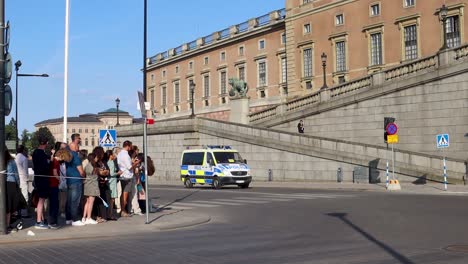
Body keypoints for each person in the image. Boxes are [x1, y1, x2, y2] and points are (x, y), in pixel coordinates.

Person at [65, 133, 86, 226]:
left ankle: (68, 218)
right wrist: (84, 176)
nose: (78, 147)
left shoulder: (68, 156)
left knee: (69, 201)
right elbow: (81, 171)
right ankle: (75, 219)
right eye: (77, 145)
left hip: (69, 180)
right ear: (73, 146)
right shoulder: (76, 157)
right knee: (75, 201)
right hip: (76, 180)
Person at [49, 145, 72, 229]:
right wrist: (60, 179)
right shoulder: (55, 162)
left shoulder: (54, 161)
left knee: (54, 204)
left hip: (53, 184)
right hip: (54, 184)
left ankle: (52, 222)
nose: (63, 160)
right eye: (64, 158)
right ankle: (53, 222)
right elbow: (55, 173)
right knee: (55, 204)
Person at [117, 140, 140, 217]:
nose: (131, 148)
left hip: (122, 175)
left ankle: (122, 210)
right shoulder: (125, 155)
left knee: (123, 194)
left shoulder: (120, 154)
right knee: (125, 194)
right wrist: (136, 163)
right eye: (130, 146)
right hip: (127, 176)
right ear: (128, 146)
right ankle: (123, 211)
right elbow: (130, 167)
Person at [32, 136, 51, 229]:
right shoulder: (41, 154)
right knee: (41, 200)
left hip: (38, 178)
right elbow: (44, 167)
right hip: (42, 178)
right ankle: (39, 221)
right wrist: (49, 162)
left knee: (41, 200)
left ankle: (41, 219)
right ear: (46, 143)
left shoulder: (35, 152)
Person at [5, 148, 21, 233]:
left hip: (3, 184)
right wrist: (18, 184)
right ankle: (7, 225)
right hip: (11, 184)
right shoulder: (11, 161)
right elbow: (16, 174)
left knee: (5, 205)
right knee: (10, 205)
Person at [15, 145, 29, 217]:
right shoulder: (24, 158)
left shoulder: (15, 158)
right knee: (24, 195)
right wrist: (27, 179)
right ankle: (24, 213)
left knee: (17, 195)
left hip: (16, 178)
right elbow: (25, 170)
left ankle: (17, 212)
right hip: (23, 178)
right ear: (23, 150)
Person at [106, 149, 120, 220]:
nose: (114, 155)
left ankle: (109, 213)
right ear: (110, 155)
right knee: (112, 199)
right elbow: (111, 173)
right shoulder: (111, 162)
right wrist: (118, 173)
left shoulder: (107, 162)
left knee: (110, 199)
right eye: (113, 154)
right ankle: (110, 214)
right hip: (112, 181)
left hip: (109, 181)